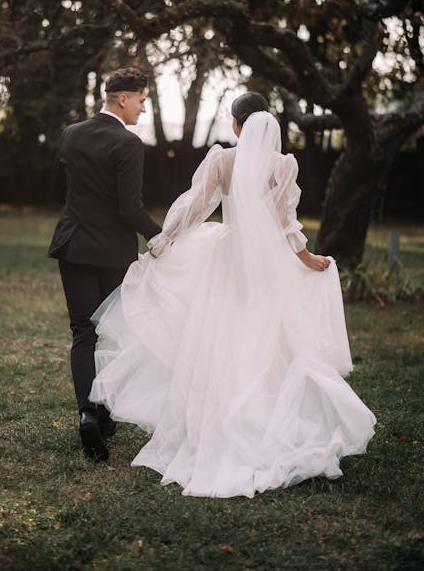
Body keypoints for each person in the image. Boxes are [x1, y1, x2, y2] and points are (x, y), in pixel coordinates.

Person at [88, 92, 376, 497]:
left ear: (238, 124)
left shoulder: (223, 159)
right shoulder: (282, 165)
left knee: (219, 339)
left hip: (226, 259)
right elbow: (284, 220)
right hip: (268, 264)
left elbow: (196, 207)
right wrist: (307, 257)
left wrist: (164, 240)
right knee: (271, 342)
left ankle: (217, 424)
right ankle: (274, 422)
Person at [48, 68, 162, 461]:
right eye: (142, 100)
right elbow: (129, 208)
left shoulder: (71, 133)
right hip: (112, 252)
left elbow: (60, 189)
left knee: (83, 332)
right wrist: (158, 236)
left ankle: (88, 415)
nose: (144, 109)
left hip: (73, 245)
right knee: (111, 331)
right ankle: (105, 411)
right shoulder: (127, 144)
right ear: (122, 99)